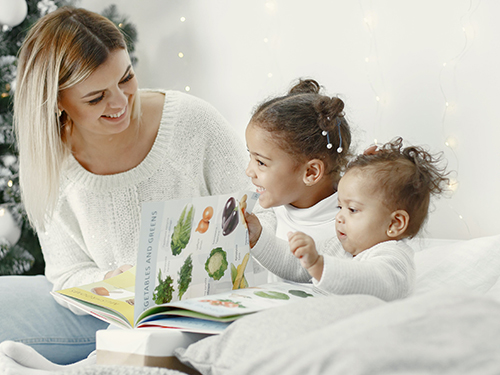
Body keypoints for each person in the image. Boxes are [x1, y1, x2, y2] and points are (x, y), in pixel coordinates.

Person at [0, 6, 250, 366]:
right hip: (107, 313)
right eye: (96, 97)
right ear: (58, 101)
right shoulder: (49, 159)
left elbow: (260, 217)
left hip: (198, 307)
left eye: (126, 78)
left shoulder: (193, 122)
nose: (119, 102)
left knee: (145, 340)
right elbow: (66, 274)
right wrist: (109, 280)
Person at [244, 78, 352, 285]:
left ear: (311, 172)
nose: (249, 171)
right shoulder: (267, 208)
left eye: (261, 162)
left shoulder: (346, 227)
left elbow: (302, 269)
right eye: (250, 156)